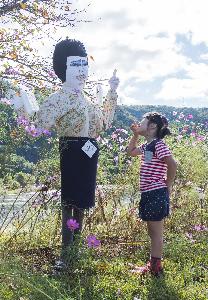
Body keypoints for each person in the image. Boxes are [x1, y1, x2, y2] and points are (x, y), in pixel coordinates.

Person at [10, 38, 120, 264]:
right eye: (75, 65)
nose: (81, 70)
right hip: (71, 150)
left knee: (83, 202)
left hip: (89, 152)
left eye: (84, 64)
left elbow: (103, 123)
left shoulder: (87, 99)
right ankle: (66, 255)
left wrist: (111, 92)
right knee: (70, 202)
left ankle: (75, 252)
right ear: (63, 68)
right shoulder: (59, 98)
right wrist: (24, 103)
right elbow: (39, 124)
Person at [127, 112, 177, 276]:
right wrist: (135, 135)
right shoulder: (148, 146)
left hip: (156, 192)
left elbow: (172, 164)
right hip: (149, 193)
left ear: (152, 126)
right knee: (152, 232)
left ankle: (156, 268)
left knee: (156, 233)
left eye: (142, 123)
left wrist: (167, 186)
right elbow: (131, 151)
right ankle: (153, 265)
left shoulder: (158, 145)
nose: (139, 125)